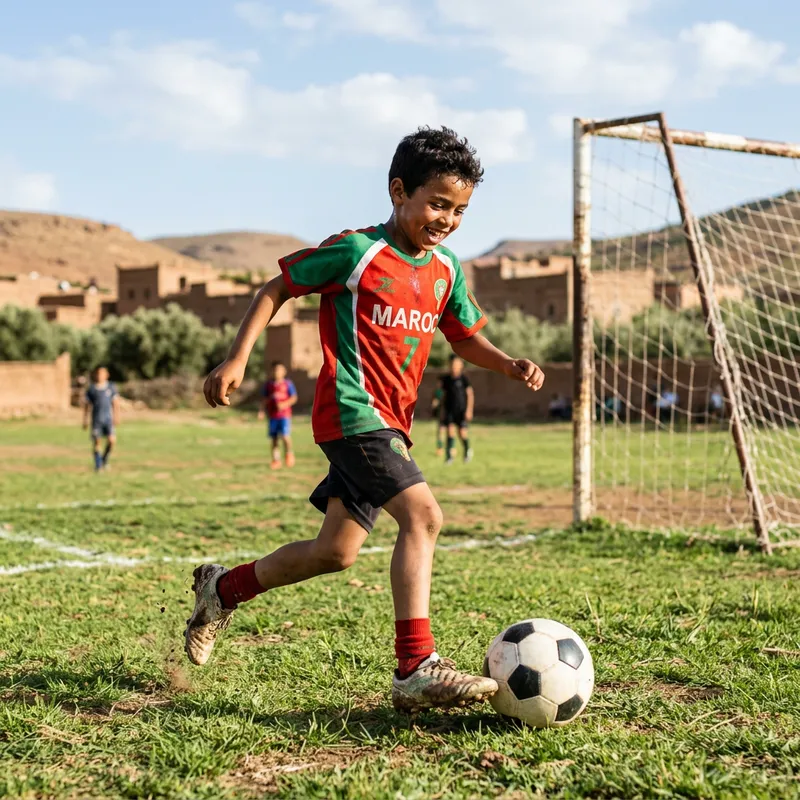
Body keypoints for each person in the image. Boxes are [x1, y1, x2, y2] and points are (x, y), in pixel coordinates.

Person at [185, 126, 545, 713]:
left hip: (391, 425)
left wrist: (507, 364)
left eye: (460, 210)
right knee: (424, 517)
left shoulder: (446, 270)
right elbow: (277, 287)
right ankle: (415, 666)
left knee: (337, 552)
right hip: (353, 414)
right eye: (436, 204)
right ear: (399, 191)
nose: (447, 220)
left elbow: (466, 337)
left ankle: (222, 589)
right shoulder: (357, 252)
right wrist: (238, 357)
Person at [258, 361, 297, 469]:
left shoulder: (288, 384)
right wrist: (261, 411)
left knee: (285, 436)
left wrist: (284, 404)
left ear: (284, 372)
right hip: (272, 416)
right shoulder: (268, 385)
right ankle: (276, 460)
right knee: (274, 439)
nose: (277, 372)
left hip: (284, 415)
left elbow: (294, 398)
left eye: (279, 370)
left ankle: (289, 454)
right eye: (275, 370)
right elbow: (264, 400)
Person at [82, 366, 119, 472]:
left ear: (107, 375)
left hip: (108, 420)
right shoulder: (92, 389)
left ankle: (105, 459)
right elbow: (87, 406)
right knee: (97, 442)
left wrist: (117, 416)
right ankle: (98, 466)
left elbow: (115, 403)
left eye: (102, 373)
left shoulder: (111, 387)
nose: (100, 376)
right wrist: (85, 420)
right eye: (98, 374)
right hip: (96, 420)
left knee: (112, 441)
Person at [440, 355, 474, 464]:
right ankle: (449, 456)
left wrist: (469, 410)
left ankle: (467, 450)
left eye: (456, 364)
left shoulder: (464, 379)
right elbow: (441, 394)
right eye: (452, 364)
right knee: (450, 432)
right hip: (449, 409)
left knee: (462, 433)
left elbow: (470, 395)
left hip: (461, 410)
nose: (454, 367)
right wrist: (440, 408)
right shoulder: (446, 379)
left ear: (461, 365)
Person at [431, 380, 446, 457]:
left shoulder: (442, 391)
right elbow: (434, 401)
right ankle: (440, 449)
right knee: (441, 432)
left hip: (445, 414)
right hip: (442, 414)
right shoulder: (438, 391)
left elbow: (435, 402)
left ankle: (447, 448)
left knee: (444, 432)